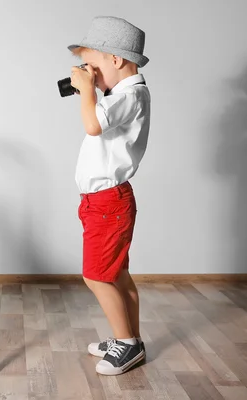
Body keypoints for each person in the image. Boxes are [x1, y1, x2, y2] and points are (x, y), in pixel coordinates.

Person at [68, 16, 151, 376]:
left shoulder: (131, 94)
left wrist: (86, 92)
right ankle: (128, 338)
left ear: (116, 60)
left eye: (93, 65)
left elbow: (92, 124)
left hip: (107, 203)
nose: (89, 73)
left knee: (97, 275)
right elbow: (98, 120)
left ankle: (127, 346)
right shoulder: (120, 95)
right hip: (102, 202)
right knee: (117, 274)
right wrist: (92, 90)